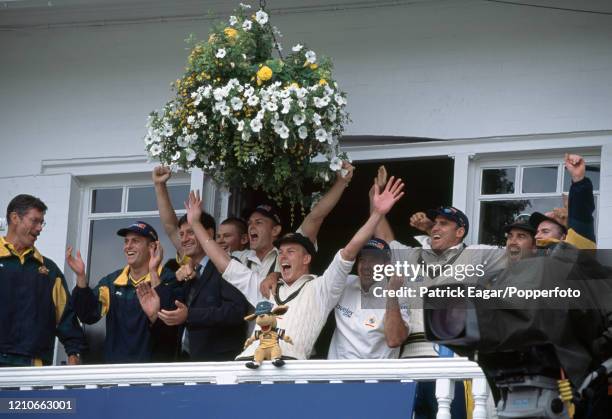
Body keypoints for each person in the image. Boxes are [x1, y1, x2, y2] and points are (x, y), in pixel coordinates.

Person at [184, 177, 404, 361]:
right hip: (246, 366)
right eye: (281, 252)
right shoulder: (266, 289)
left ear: (307, 257)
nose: (283, 256)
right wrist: (195, 223)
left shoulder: (322, 288)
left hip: (287, 371)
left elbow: (349, 252)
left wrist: (376, 214)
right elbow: (224, 263)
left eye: (291, 251)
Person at [152, 166, 251, 361]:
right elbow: (173, 310)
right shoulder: (187, 271)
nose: (185, 239)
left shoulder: (227, 265)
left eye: (191, 232)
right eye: (182, 235)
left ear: (209, 234)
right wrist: (154, 273)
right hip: (188, 363)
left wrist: (190, 315)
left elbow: (236, 312)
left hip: (220, 366)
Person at [67, 221, 177, 363]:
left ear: (152, 247)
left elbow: (171, 329)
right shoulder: (111, 282)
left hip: (153, 374)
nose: (128, 246)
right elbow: (87, 315)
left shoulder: (168, 278)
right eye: (126, 241)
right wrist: (81, 277)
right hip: (115, 374)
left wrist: (154, 273)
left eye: (135, 241)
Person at [0, 194, 85, 367]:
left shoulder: (50, 270)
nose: (40, 228)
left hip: (34, 366)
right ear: (15, 218)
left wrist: (73, 353)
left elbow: (66, 318)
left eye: (41, 223)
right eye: (35, 221)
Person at [327, 238, 410, 359]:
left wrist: (392, 293)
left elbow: (394, 340)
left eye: (373, 260)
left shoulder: (399, 295)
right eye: (362, 260)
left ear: (387, 266)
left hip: (376, 376)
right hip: (339, 374)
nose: (366, 266)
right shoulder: (345, 284)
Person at [529, 153, 596, 250]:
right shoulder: (529, 260)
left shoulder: (574, 253)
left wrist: (579, 180)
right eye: (537, 232)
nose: (537, 236)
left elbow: (581, 212)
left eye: (545, 231)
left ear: (563, 237)